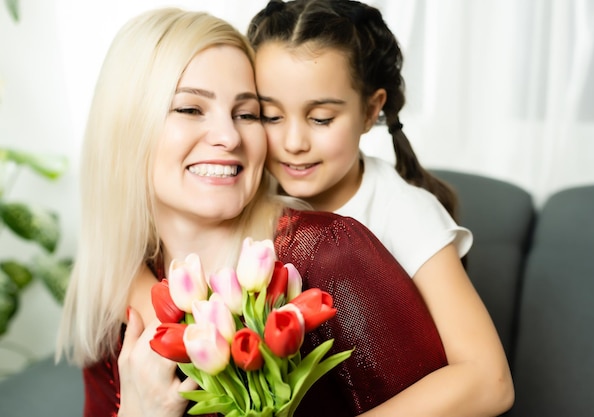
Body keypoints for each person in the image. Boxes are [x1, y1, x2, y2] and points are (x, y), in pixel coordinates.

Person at [56, 7, 462, 417]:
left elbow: (476, 385)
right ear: (125, 127)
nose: (230, 136)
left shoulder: (326, 253)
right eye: (190, 109)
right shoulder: (115, 282)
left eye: (247, 114)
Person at [245, 0, 515, 415]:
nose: (293, 142)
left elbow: (489, 381)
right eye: (269, 116)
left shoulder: (404, 212)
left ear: (370, 111)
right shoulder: (247, 194)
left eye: (320, 119)